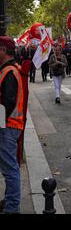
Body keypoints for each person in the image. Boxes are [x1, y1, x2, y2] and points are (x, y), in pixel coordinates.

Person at [0, 36, 25, 214]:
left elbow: (7, 104)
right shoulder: (9, 69)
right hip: (9, 125)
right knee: (9, 168)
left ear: (3, 50)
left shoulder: (9, 71)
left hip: (8, 126)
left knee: (10, 169)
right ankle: (10, 201)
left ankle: (12, 208)